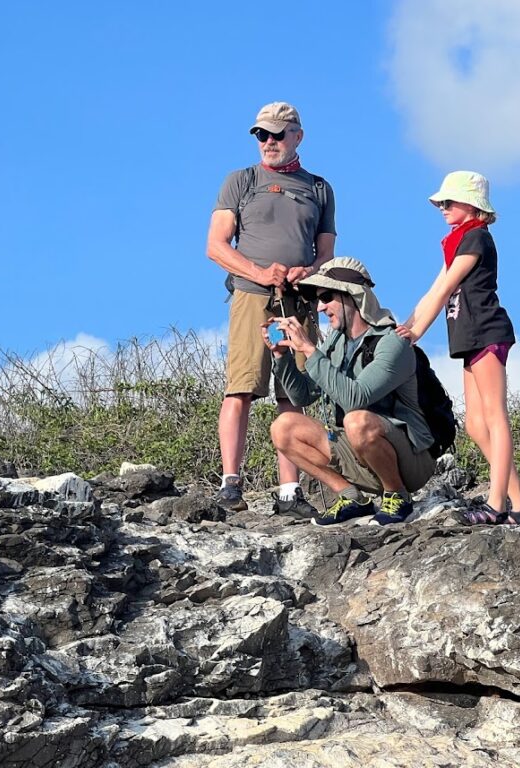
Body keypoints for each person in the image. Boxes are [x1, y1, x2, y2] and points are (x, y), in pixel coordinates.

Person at [207, 102, 336, 516]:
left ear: (298, 136)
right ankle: (230, 484)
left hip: (299, 301)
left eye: (277, 135)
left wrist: (308, 271)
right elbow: (216, 245)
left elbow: (327, 257)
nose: (268, 142)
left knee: (293, 393)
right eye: (262, 135)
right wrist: (260, 274)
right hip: (251, 295)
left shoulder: (318, 188)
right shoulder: (240, 181)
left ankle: (289, 492)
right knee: (241, 386)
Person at [396, 171, 520, 525]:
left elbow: (445, 290)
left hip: (486, 333)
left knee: (494, 417)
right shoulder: (458, 241)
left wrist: (416, 334)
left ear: (472, 205)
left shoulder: (476, 238)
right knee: (475, 425)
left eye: (449, 202)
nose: (442, 208)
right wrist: (406, 327)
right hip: (468, 338)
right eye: (441, 202)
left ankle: (497, 503)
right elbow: (434, 290)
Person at [266, 258, 435, 526]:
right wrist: (282, 358)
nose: (320, 307)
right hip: (359, 451)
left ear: (353, 296)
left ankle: (397, 496)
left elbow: (356, 398)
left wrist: (310, 350)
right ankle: (351, 497)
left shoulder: (392, 343)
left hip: (411, 460)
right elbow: (303, 396)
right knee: (283, 427)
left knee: (356, 420)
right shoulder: (337, 342)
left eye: (327, 297)